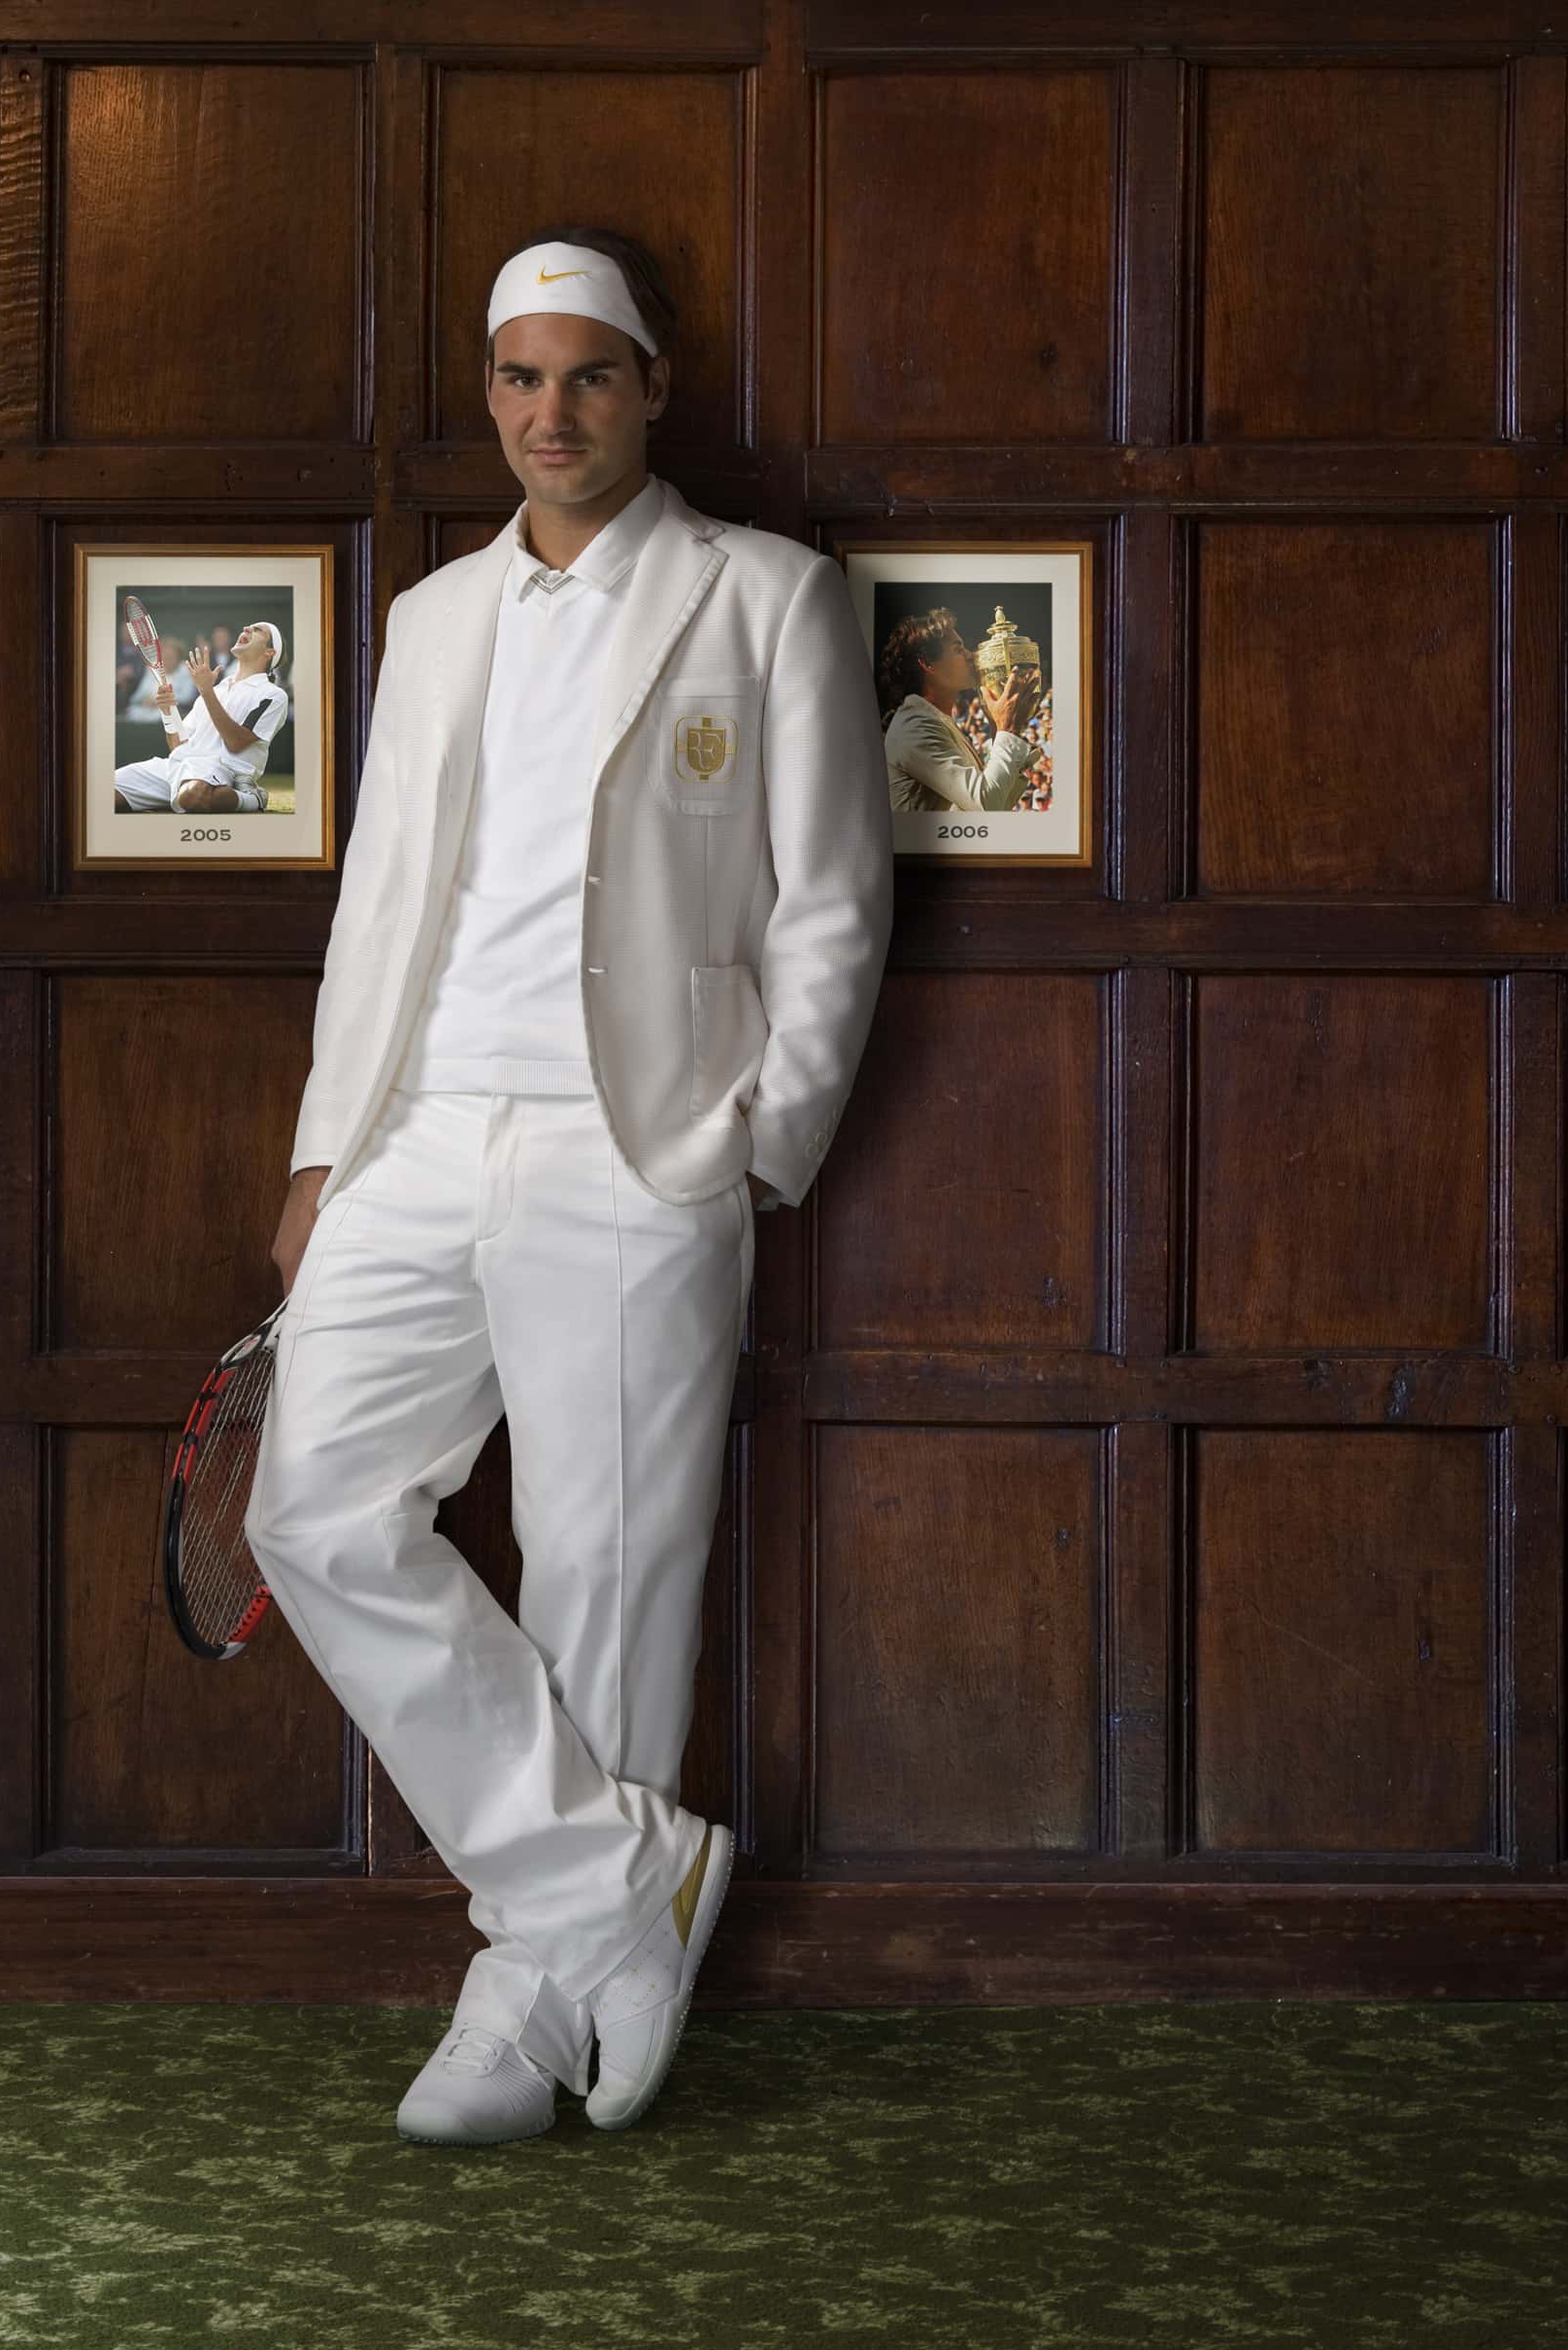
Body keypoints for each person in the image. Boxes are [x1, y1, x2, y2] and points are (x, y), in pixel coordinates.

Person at [240, 228, 893, 2145]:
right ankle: (608, 1881)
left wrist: (755, 1141)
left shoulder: (761, 596)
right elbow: (385, 898)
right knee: (312, 1507)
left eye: (582, 377)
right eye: (515, 379)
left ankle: (526, 2008)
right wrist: (317, 1148)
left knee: (612, 1567)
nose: (546, 413)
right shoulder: (434, 619)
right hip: (418, 1130)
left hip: (640, 1143)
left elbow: (835, 903)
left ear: (647, 387)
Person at [110, 617, 293, 815]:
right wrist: (168, 711)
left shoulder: (273, 695)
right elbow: (179, 747)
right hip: (178, 767)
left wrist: (206, 690)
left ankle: (250, 799)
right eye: (249, 626)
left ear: (269, 652)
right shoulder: (217, 689)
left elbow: (236, 742)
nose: (247, 628)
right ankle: (185, 797)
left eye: (257, 630)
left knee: (192, 797)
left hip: (222, 769)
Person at [880, 604, 1040, 812]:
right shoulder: (914, 727)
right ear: (928, 663)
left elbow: (997, 803)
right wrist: (1006, 729)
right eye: (958, 649)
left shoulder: (938, 721)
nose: (970, 655)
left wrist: (997, 730)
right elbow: (986, 804)